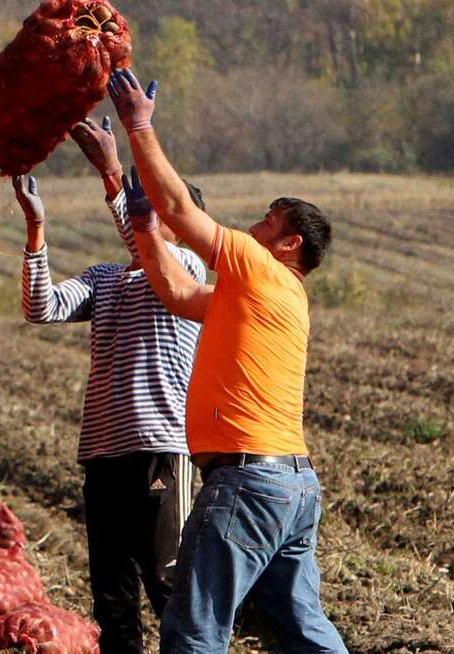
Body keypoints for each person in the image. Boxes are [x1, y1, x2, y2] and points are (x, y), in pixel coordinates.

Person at [107, 69, 348, 654]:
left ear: (289, 243)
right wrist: (142, 226)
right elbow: (177, 294)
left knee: (194, 629)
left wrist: (139, 125)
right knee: (300, 628)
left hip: (247, 480)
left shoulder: (259, 267)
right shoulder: (275, 294)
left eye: (270, 221)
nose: (255, 225)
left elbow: (180, 209)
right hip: (291, 485)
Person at [16, 116, 206, 654]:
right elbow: (41, 308)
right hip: (103, 454)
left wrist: (113, 172)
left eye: (156, 210)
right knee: (113, 598)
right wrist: (37, 231)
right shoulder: (104, 279)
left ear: (180, 225)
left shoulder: (186, 270)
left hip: (159, 450)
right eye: (141, 207)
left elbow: (151, 254)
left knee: (168, 585)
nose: (145, 216)